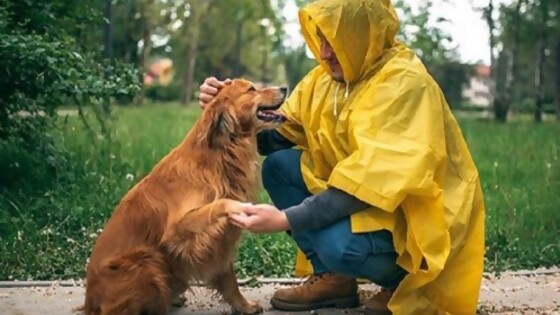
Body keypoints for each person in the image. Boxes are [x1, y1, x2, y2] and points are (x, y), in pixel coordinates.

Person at [198, 0, 486, 314]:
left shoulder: (403, 84)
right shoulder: (325, 80)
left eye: (334, 41)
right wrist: (226, 110)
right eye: (320, 39)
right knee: (280, 168)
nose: (323, 53)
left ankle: (404, 282)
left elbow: (366, 186)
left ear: (364, 34)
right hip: (369, 204)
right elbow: (274, 139)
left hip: (415, 226)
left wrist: (286, 219)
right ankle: (334, 280)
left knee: (339, 245)